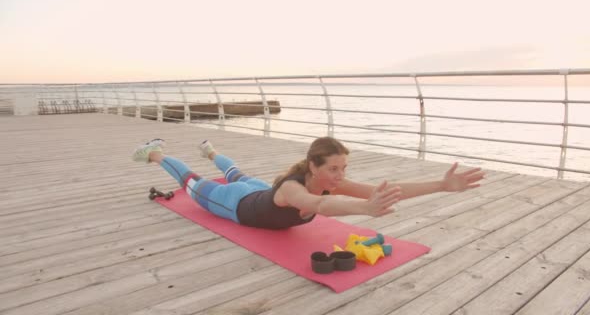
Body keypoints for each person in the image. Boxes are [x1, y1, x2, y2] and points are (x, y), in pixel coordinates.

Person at [132, 137, 484, 229]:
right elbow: (318, 206)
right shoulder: (293, 188)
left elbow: (385, 190)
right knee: (191, 183)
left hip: (256, 191)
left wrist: (441, 184)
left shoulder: (329, 180)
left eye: (344, 168)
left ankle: (212, 152)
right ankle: (155, 154)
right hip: (233, 204)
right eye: (334, 169)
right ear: (314, 166)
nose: (341, 176)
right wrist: (365, 209)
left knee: (235, 170)